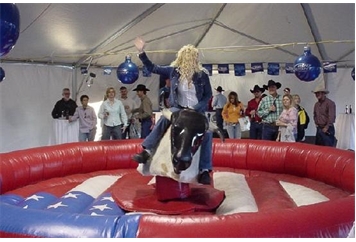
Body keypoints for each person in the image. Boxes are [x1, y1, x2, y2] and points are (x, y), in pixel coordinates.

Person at [132, 36, 213, 185]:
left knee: (207, 134)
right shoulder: (174, 71)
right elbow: (153, 68)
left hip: (197, 111)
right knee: (164, 119)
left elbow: (208, 94)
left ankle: (205, 170)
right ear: (181, 58)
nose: (190, 59)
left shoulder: (202, 75)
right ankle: (146, 151)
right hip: (179, 108)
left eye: (193, 57)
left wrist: (196, 108)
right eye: (187, 56)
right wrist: (141, 52)